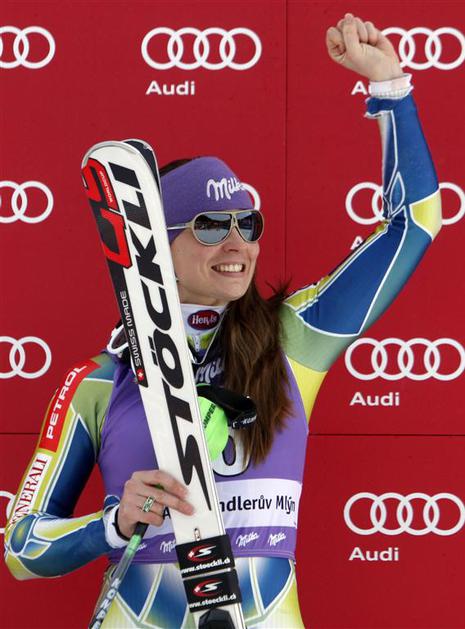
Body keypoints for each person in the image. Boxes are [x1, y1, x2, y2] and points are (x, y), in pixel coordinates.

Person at [4, 13, 442, 628]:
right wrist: (115, 523)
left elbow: (414, 224)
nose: (238, 243)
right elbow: (21, 548)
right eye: (210, 227)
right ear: (155, 245)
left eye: (247, 224)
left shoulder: (292, 339)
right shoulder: (98, 383)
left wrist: (389, 88)